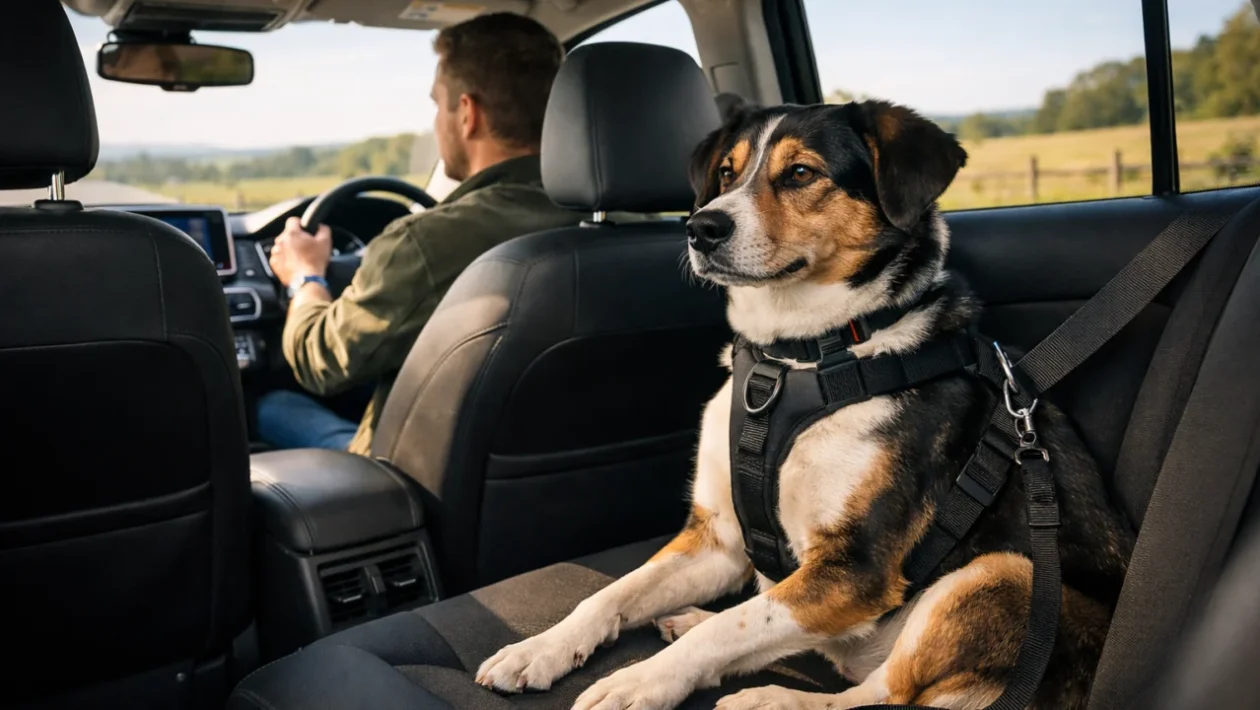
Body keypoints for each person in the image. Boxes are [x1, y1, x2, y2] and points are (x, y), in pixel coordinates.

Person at [258, 13, 584, 454]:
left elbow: (322, 365)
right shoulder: (636, 228)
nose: (436, 121)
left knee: (273, 405)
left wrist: (305, 277)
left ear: (467, 113)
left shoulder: (424, 243)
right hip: (580, 471)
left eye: (437, 103)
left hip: (416, 490)